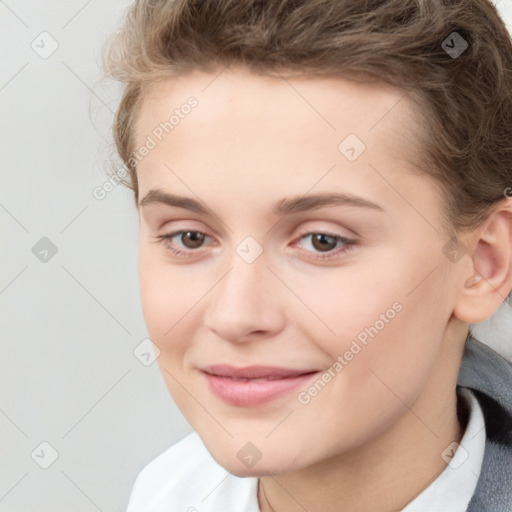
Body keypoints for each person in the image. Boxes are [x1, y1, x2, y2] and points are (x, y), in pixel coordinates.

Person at [101, 0, 512, 510]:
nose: (236, 316)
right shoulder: (169, 492)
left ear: (483, 264)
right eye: (189, 237)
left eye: (323, 240)